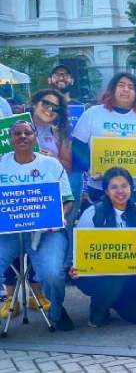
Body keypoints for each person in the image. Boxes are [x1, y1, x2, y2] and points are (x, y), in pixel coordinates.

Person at [0, 120, 74, 330]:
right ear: (10, 139)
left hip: (46, 232)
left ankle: (57, 312)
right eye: (17, 133)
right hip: (7, 233)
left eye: (27, 133)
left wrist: (59, 216)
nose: (22, 136)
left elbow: (67, 200)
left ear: (35, 137)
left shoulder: (51, 165)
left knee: (52, 273)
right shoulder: (1, 164)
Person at [71, 168, 136, 327]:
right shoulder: (92, 213)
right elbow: (80, 247)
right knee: (113, 281)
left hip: (128, 274)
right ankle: (99, 309)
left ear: (131, 188)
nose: (120, 191)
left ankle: (110, 300)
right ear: (106, 191)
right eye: (114, 187)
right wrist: (75, 266)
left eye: (124, 186)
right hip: (96, 276)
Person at [72, 73, 136, 204]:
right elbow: (77, 150)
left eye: (131, 87)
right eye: (121, 85)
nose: (126, 90)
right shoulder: (92, 114)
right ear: (112, 89)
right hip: (100, 189)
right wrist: (90, 168)